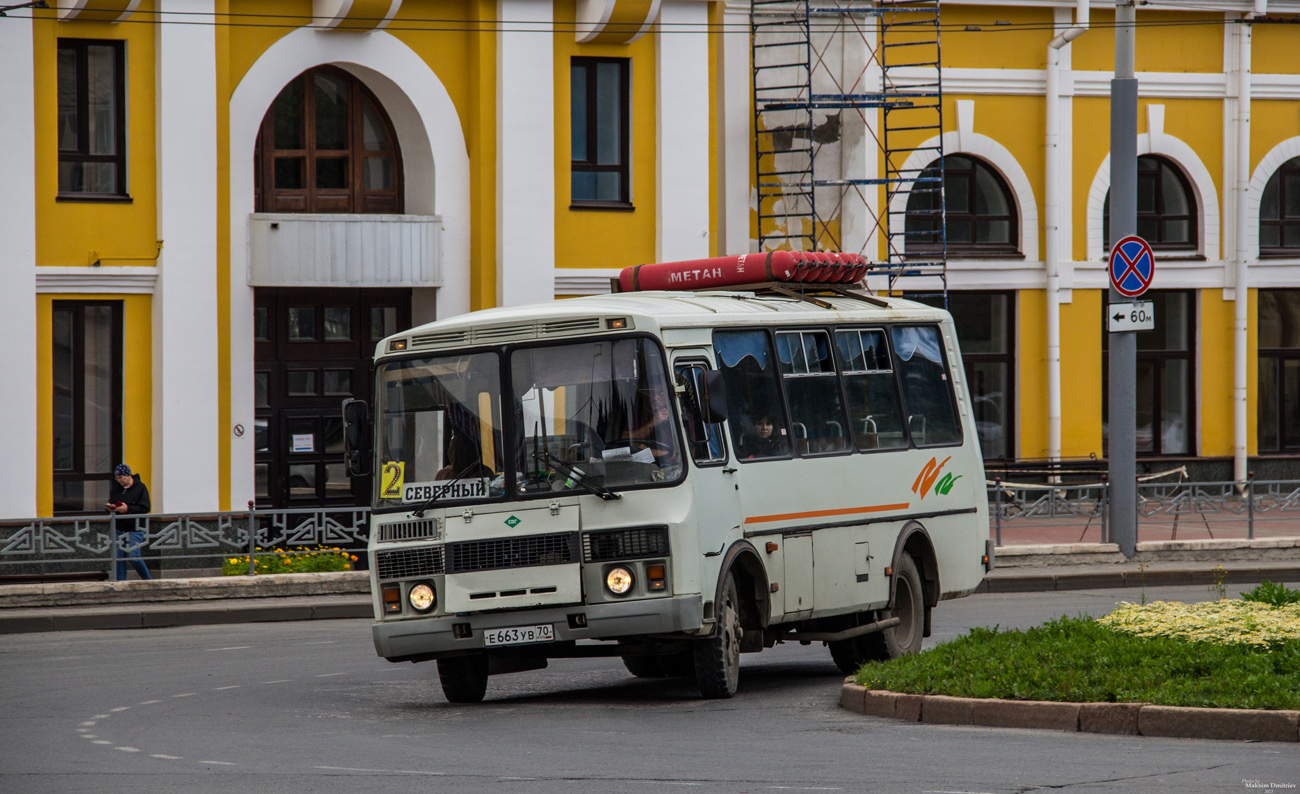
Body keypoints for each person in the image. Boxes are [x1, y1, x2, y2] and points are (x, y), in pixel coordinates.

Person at [106, 464, 152, 581]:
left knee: (133, 556)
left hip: (135, 527)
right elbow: (113, 501)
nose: (119, 481)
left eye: (121, 478)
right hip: (119, 526)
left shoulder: (140, 487)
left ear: (128, 475)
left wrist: (128, 509)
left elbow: (145, 507)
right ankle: (120, 582)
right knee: (118, 558)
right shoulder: (117, 488)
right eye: (117, 478)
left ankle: (147, 579)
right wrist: (111, 507)